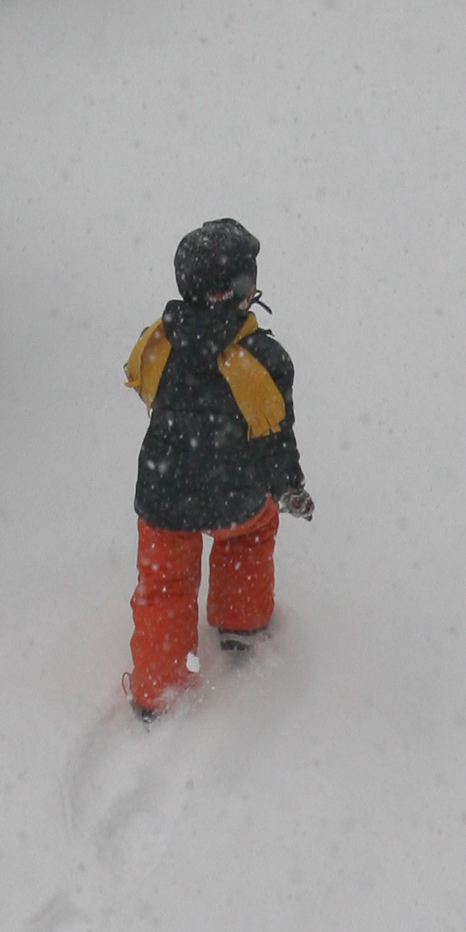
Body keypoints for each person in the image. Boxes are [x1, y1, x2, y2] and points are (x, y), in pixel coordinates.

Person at [123, 217, 312, 718]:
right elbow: (275, 436)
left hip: (163, 490)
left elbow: (142, 384)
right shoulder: (262, 359)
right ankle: (240, 622)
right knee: (251, 533)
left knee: (164, 584)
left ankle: (158, 689)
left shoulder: (159, 340)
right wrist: (288, 486)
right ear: (237, 291)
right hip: (234, 493)